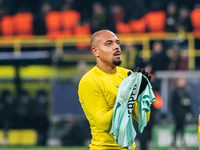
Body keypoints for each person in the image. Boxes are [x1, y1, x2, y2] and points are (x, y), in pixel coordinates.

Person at [78, 29, 151, 150]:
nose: (116, 47)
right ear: (95, 52)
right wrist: (127, 94)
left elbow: (143, 119)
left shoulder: (127, 74)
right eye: (109, 43)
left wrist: (141, 95)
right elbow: (105, 124)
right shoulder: (89, 81)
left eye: (117, 43)